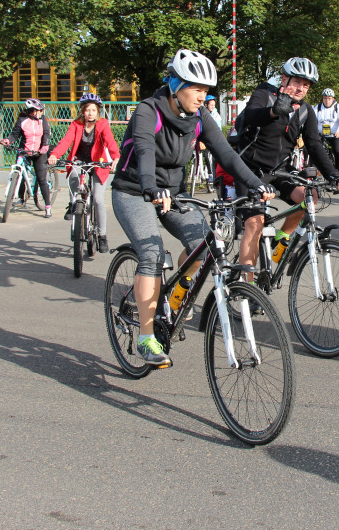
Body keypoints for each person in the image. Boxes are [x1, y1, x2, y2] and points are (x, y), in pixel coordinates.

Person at [111, 49, 276, 367]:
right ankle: (147, 338)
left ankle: (172, 299)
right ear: (176, 85)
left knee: (205, 246)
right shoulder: (149, 111)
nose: (203, 96)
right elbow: (144, 151)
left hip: (175, 194)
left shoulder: (200, 118)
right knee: (151, 254)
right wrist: (149, 186)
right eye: (197, 89)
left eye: (206, 90)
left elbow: (227, 155)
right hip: (134, 191)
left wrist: (255, 183)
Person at [233, 57, 339, 273]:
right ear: (284, 78)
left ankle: (282, 238)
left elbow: (314, 144)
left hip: (279, 170)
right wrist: (274, 111)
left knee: (309, 197)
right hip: (249, 170)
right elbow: (251, 116)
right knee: (255, 224)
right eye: (297, 82)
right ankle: (248, 293)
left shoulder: (305, 111)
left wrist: (333, 174)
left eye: (306, 85)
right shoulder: (265, 94)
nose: (301, 88)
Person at [48, 93, 120, 253]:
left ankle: (102, 235)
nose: (90, 113)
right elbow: (66, 141)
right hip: (79, 160)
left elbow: (110, 141)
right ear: (82, 111)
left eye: (93, 110)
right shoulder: (76, 124)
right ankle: (74, 203)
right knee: (73, 173)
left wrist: (116, 157)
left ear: (98, 111)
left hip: (98, 162)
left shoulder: (102, 124)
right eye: (87, 110)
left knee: (98, 200)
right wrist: (55, 155)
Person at [0, 98, 54, 218]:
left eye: (41, 111)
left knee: (41, 179)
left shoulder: (42, 120)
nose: (41, 113)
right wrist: (8, 140)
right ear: (33, 111)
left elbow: (46, 133)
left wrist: (45, 147)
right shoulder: (22, 120)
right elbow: (15, 134)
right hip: (24, 151)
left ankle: (47, 206)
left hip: (39, 153)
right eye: (39, 111)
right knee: (19, 172)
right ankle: (20, 198)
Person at [315, 88, 339, 171]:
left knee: (338, 152)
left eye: (329, 98)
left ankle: (337, 172)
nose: (327, 100)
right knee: (313, 151)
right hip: (321, 134)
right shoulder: (318, 107)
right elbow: (312, 120)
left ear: (333, 99)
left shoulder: (338, 107)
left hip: (334, 135)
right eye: (325, 98)